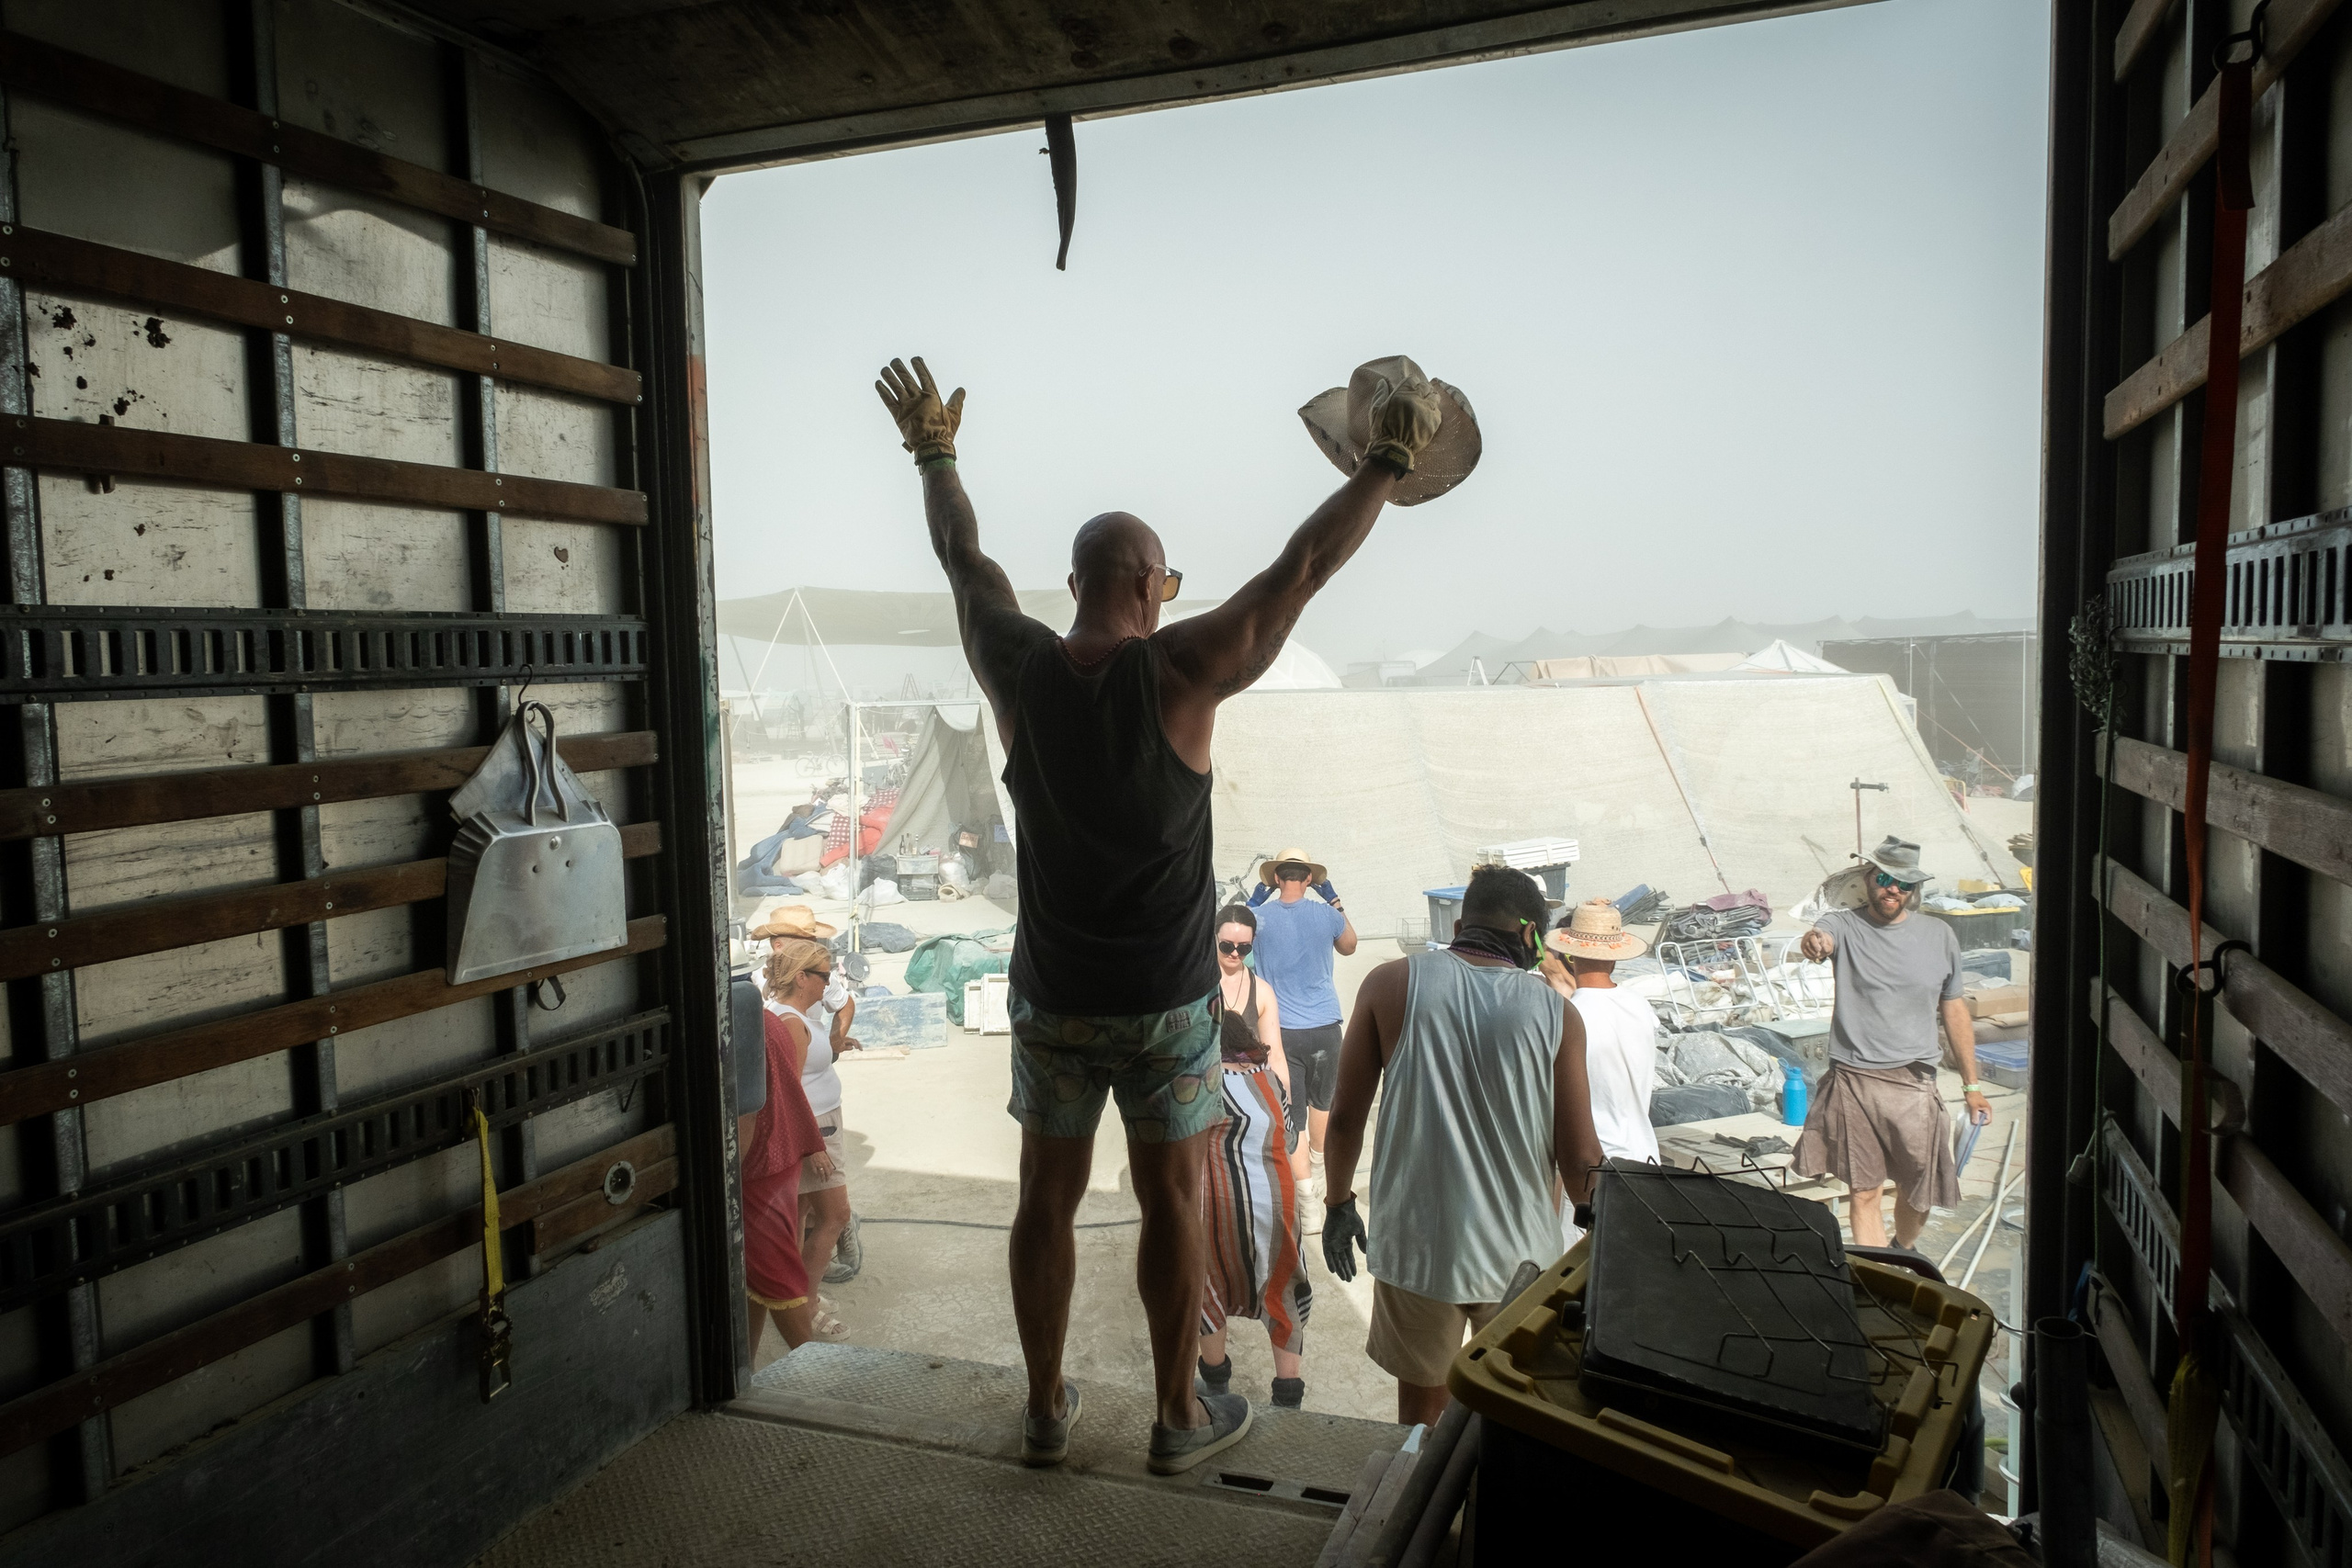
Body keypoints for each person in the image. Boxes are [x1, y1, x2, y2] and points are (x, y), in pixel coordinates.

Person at [875, 351, 1448, 1472]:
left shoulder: (1017, 666)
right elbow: (1303, 568)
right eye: (1167, 582)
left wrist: (936, 454)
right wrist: (1384, 460)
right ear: (1146, 582)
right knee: (1173, 1199)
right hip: (1165, 1008)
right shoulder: (1180, 672)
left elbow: (963, 558)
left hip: (1048, 997)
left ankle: (1045, 1412)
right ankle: (1178, 1419)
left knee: (1042, 1199)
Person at [1321, 865, 1603, 1426]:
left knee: (1422, 1418)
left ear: (1461, 920)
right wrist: (1611, 1237)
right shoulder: (1558, 1015)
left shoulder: (1389, 983)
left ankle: (1426, 1511)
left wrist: (1337, 1203)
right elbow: (1579, 1162)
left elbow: (1347, 1118)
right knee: (1515, 1412)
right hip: (1521, 1259)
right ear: (1529, 934)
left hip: (1417, 1248)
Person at [1792, 835, 1991, 1252]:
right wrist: (1814, 943)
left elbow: (1954, 1010)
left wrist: (1972, 1086)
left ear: (1914, 890)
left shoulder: (1940, 935)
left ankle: (1902, 1248)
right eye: (1884, 878)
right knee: (1864, 1192)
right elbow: (1818, 938)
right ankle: (1881, 1275)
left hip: (1915, 1084)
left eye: (1904, 883)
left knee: (1919, 1190)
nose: (1893, 889)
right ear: (1868, 878)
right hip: (1855, 1080)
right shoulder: (1842, 925)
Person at [1197, 906, 1313, 1411]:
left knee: (1279, 1245)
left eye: (1244, 947)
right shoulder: (1196, 985)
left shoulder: (1260, 992)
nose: (1235, 955)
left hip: (1260, 1122)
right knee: (1209, 1246)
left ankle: (1287, 1391)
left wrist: (1290, 1120)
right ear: (1214, 942)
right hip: (1209, 1122)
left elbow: (1278, 1055)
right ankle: (1215, 1377)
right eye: (1227, 946)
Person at [752, 905, 865, 1293]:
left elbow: (843, 1004)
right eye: (822, 975)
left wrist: (832, 1043)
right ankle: (806, 1302)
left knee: (800, 1213)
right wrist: (813, 1144)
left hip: (819, 1121)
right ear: (801, 976)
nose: (828, 982)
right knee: (834, 1214)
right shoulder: (790, 1020)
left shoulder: (793, 1010)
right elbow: (790, 1088)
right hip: (816, 1125)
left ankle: (798, 1295)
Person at [1245, 847, 1358, 1229]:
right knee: (1322, 1103)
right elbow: (1350, 945)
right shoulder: (1326, 914)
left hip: (1280, 1031)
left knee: (1291, 1111)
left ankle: (1307, 1201)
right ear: (1309, 879)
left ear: (1276, 878)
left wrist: (1251, 902)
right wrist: (1335, 901)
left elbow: (1229, 938)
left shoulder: (1258, 918)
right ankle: (1319, 1162)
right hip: (1325, 1025)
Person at [742, 937, 835, 1356]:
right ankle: (743, 1370)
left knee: (773, 1270)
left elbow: (752, 1111)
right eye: (823, 977)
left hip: (758, 1166)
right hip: (776, 1158)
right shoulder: (770, 1022)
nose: (827, 985)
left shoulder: (756, 1027)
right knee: (764, 1273)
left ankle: (812, 1369)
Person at [1542, 898, 1660, 1165]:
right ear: (1615, 956)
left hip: (1597, 1166)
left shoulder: (1571, 1016)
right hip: (1646, 1156)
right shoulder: (1640, 1006)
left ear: (1570, 958)